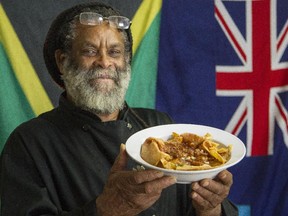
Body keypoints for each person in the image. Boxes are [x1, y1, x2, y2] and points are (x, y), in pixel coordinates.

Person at [0, 2, 238, 216]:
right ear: (62, 61)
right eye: (90, 51)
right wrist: (106, 210)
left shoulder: (158, 126)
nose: (105, 62)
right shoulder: (29, 143)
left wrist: (209, 208)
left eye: (115, 52)